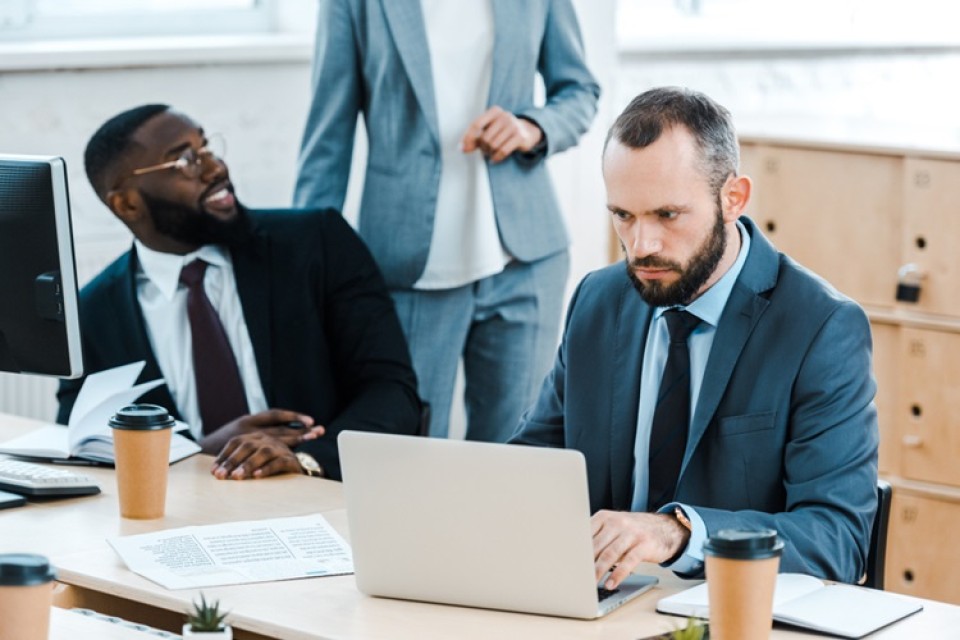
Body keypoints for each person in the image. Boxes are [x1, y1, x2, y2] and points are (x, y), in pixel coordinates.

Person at [511, 87, 879, 587]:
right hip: (604, 607)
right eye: (623, 215)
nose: (642, 246)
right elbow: (532, 466)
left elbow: (837, 538)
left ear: (733, 199)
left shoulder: (820, 327)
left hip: (730, 613)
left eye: (667, 215)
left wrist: (678, 535)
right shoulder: (598, 301)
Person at [57, 104, 421, 481]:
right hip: (182, 518)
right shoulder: (91, 316)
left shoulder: (318, 244)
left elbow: (393, 390)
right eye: (184, 161)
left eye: (207, 149)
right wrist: (200, 450)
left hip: (325, 497)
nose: (216, 169)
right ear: (127, 203)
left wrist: (308, 459)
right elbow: (86, 448)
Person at [294, 0, 600, 442]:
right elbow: (329, 135)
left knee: (515, 452)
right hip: (408, 267)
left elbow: (579, 91)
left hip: (524, 261)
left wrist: (531, 127)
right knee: (405, 451)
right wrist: (306, 271)